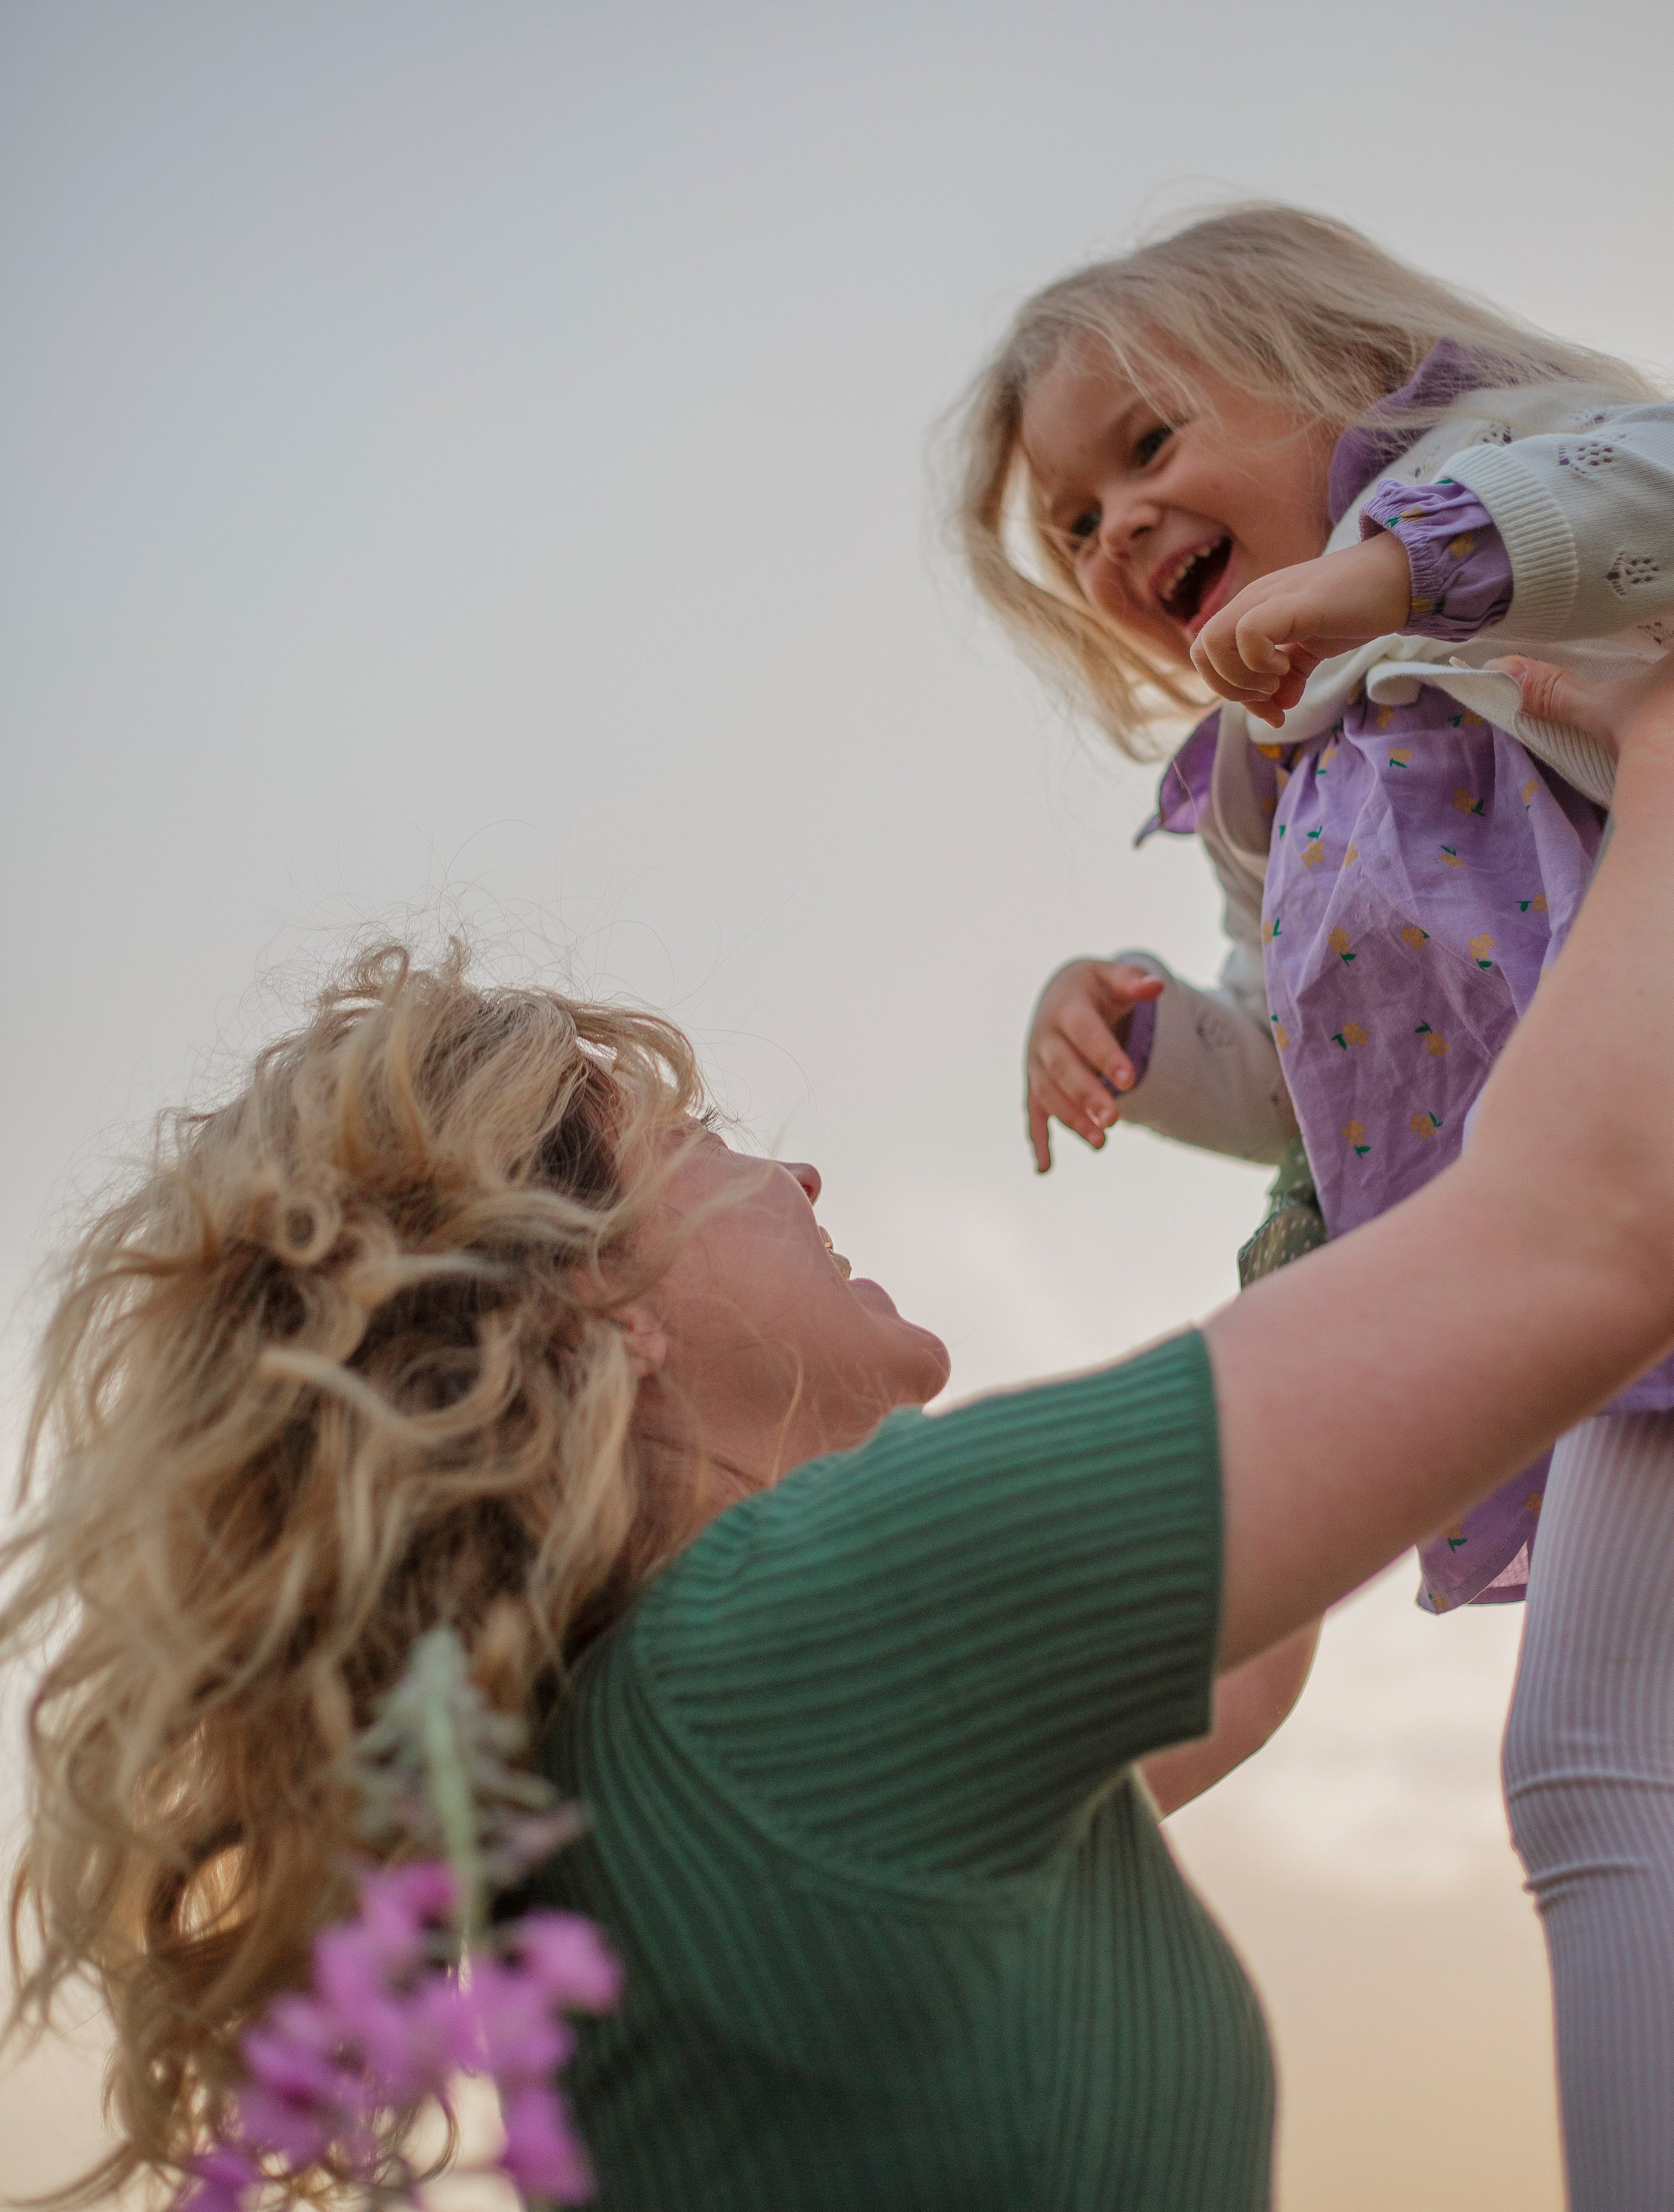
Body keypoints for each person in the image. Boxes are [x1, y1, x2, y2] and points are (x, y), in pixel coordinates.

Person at [6, 666, 1674, 2212]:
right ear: (593, 1304)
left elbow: (1237, 1679)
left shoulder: (618, 1756)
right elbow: (1600, 1227)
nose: (793, 1179)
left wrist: (1313, 1164)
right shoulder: (792, 1644)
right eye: (702, 1140)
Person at [955, 204, 1674, 2203]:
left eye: (1149, 447)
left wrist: (1399, 566)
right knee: (1616, 1773)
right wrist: (1140, 1036)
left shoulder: (1517, 506)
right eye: (1075, 526)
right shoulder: (1278, 777)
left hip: (1644, 1231)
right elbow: (1323, 1083)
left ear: (1348, 370)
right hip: (1608, 1296)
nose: (1113, 532)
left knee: (1603, 1770)